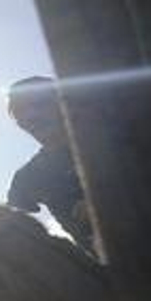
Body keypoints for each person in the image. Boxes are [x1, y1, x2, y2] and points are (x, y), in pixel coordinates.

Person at [6, 75, 97, 257]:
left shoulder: (116, 140)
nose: (31, 116)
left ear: (64, 102)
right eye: (19, 111)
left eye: (39, 103)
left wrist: (104, 203)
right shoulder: (28, 178)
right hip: (114, 269)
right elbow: (7, 224)